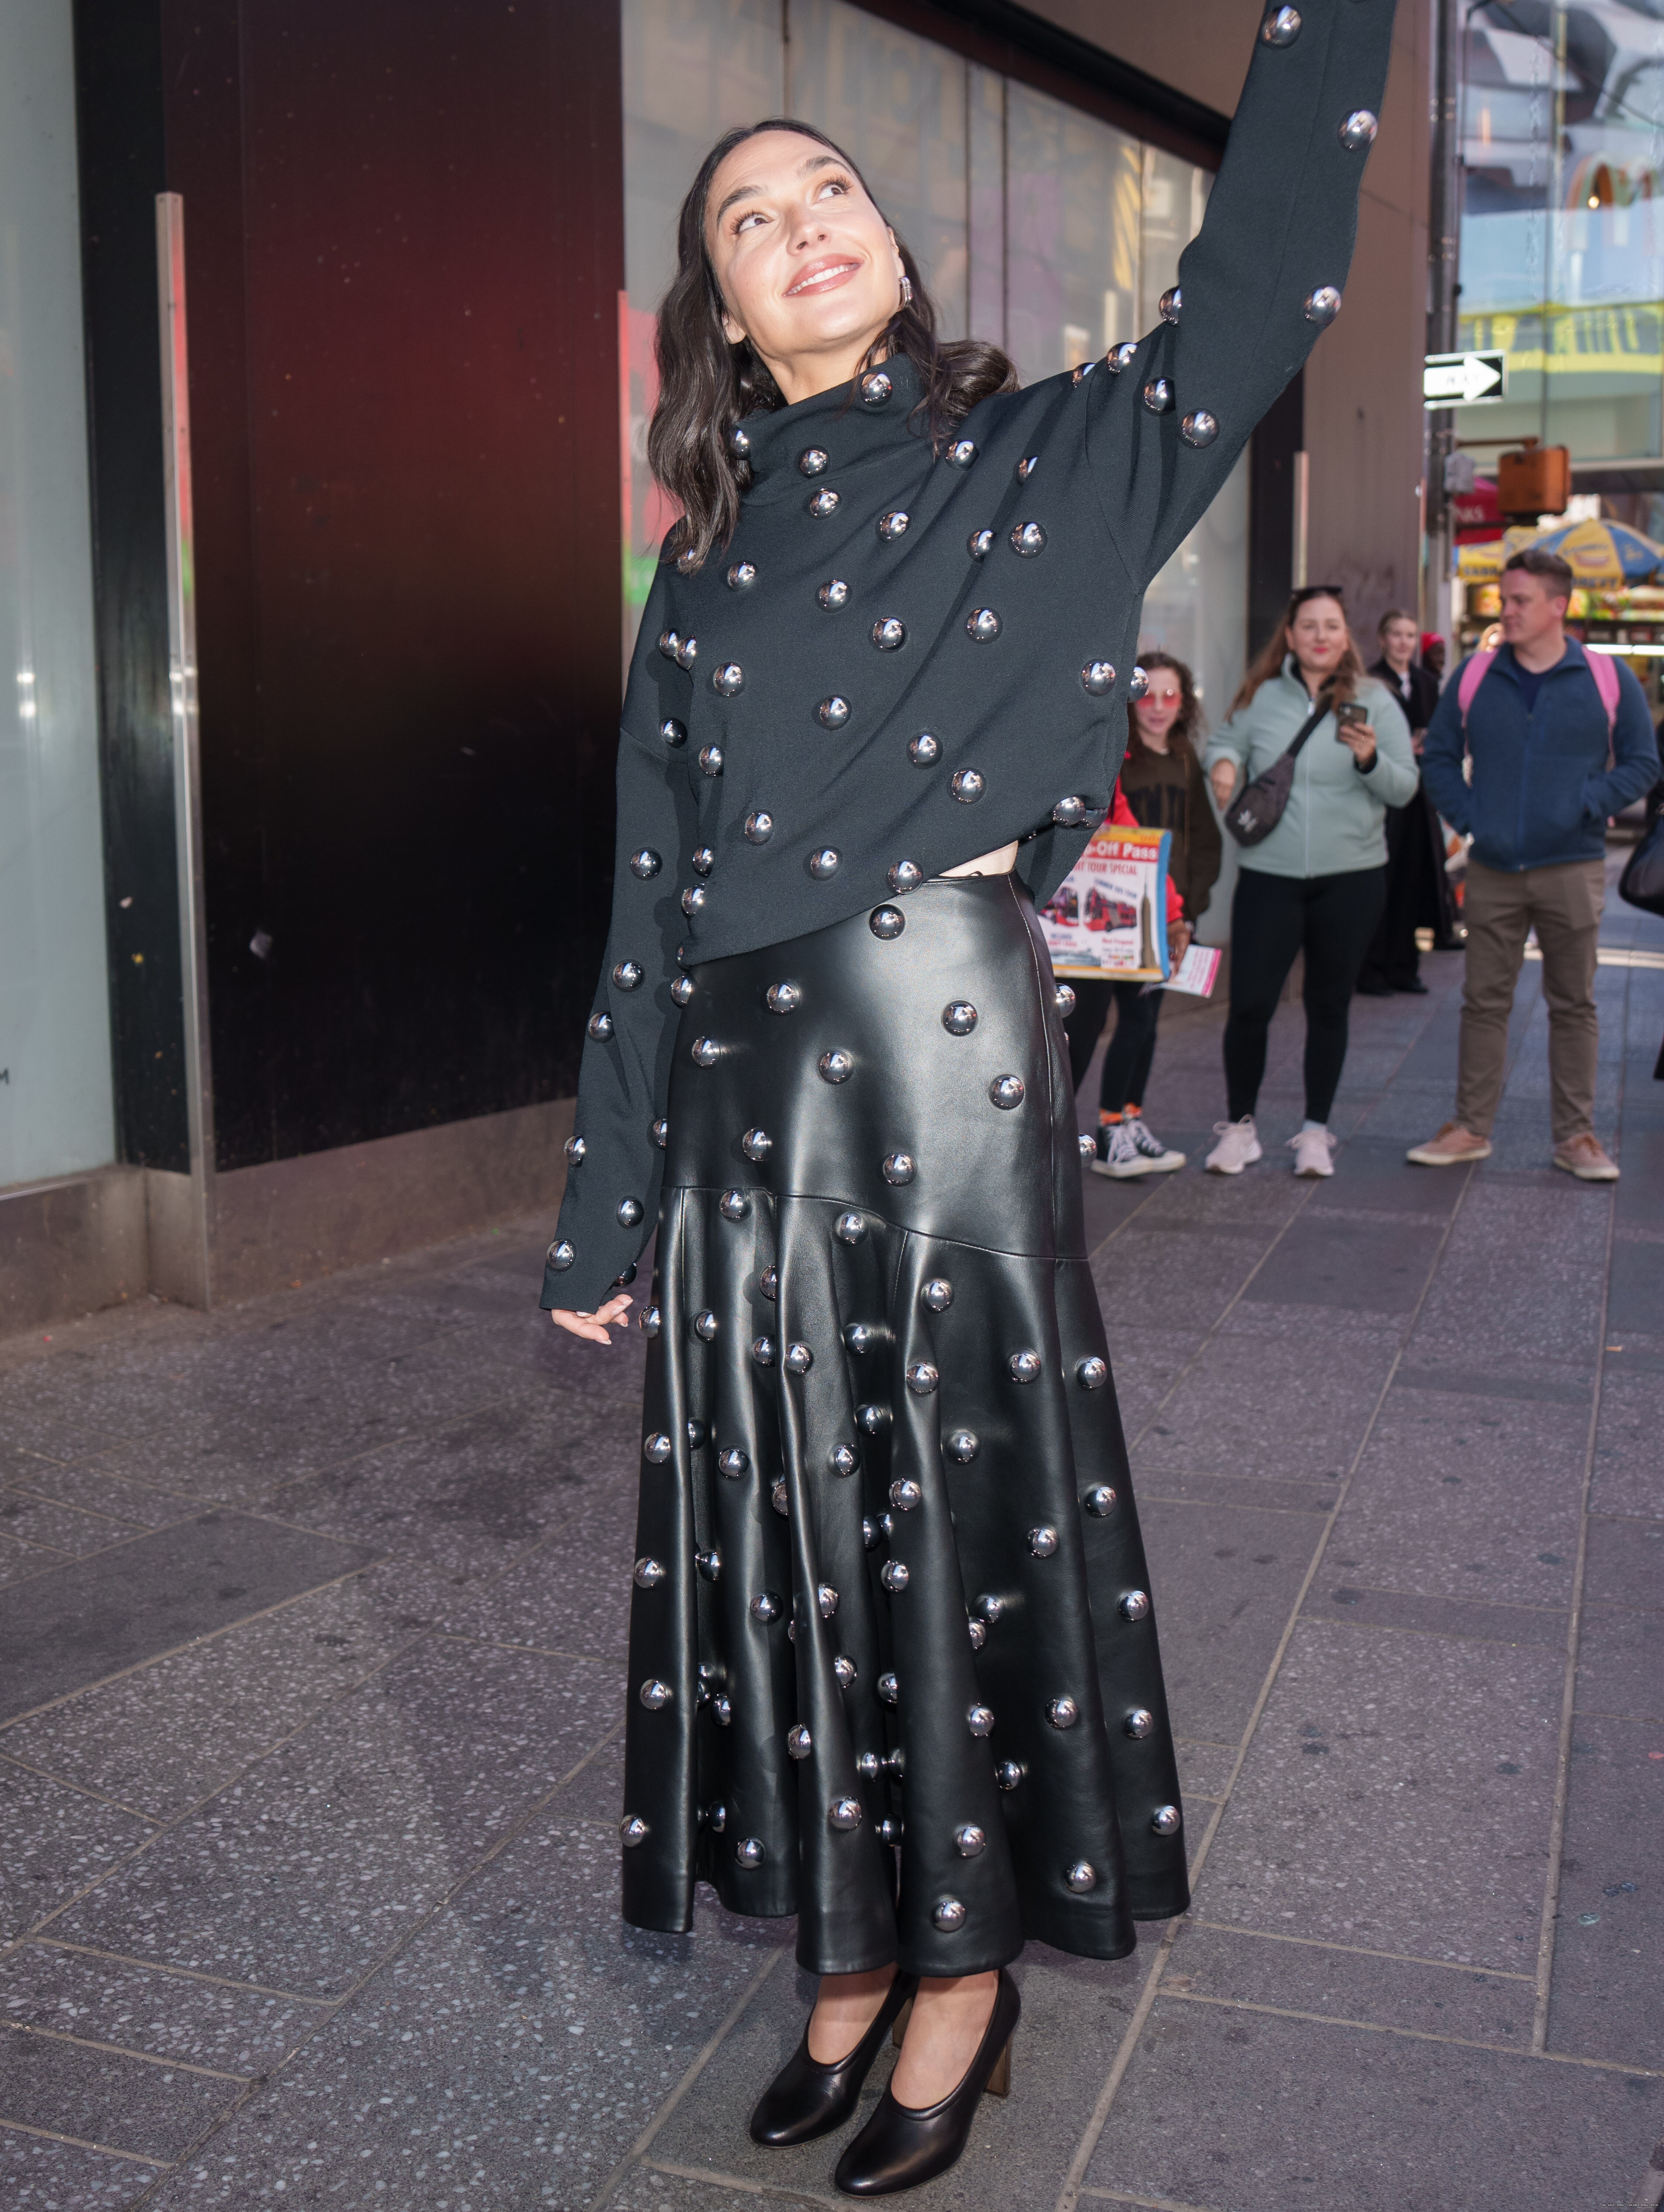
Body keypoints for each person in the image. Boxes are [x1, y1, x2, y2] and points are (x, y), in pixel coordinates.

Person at [539, 8, 1393, 2194]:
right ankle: (845, 1947)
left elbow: (1267, 264)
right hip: (739, 1115)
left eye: (827, 188)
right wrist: (603, 1209)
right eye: (748, 218)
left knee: (938, 1536)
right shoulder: (698, 569)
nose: (801, 223)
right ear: (719, 318)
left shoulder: (1052, 458)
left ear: (889, 250)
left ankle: (956, 1968)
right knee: (795, 1544)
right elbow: (644, 903)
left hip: (942, 1075)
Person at [1408, 547, 1660, 1179]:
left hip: (1571, 867)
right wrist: (1473, 818)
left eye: (1520, 600)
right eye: (1504, 598)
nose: (1507, 610)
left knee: (1573, 1003)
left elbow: (1642, 763)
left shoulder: (1606, 678)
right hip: (1493, 866)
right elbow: (1438, 757)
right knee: (1483, 1002)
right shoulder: (1475, 675)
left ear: (1557, 606)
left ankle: (1576, 1137)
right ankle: (1469, 1128)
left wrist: (1586, 804)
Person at [1202, 588, 1417, 1178]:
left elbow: (1404, 788)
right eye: (1309, 626)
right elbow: (1224, 742)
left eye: (1332, 626)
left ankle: (1315, 1133)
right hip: (1268, 877)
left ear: (1346, 637)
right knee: (1250, 1006)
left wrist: (1370, 760)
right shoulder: (1261, 695)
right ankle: (1239, 1129)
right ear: (1290, 636)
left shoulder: (1375, 700)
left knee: (1329, 1005)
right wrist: (1223, 765)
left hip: (1351, 878)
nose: (1321, 636)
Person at [1064, 652, 1220, 1176]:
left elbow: (1194, 837)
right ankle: (1074, 1135)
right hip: (1093, 918)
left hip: (1151, 910)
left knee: (1142, 1022)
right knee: (1084, 1026)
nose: (1157, 705)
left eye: (1170, 695)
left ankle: (1124, 1122)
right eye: (1147, 694)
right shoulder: (1113, 751)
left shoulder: (1183, 758)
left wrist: (1180, 912)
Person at [1356, 608, 1455, 995]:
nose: (1403, 642)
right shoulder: (1369, 681)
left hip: (1418, 796)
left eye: (1410, 636)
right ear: (1382, 639)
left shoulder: (1427, 683)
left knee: (1413, 880)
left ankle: (1404, 966)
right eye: (1396, 634)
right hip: (1381, 791)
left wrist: (1426, 744)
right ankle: (1371, 968)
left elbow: (1440, 732)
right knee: (1382, 880)